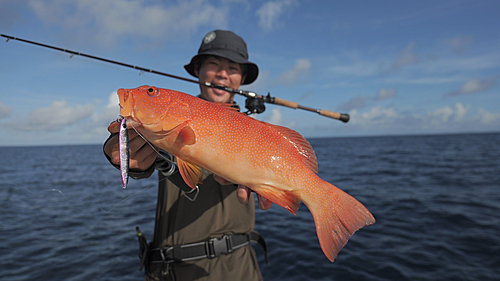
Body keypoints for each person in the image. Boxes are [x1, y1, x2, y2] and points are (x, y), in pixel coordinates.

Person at [103, 30, 271, 281]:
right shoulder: (170, 116)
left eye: (232, 67)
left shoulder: (257, 134)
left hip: (240, 268)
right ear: (198, 71)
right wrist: (127, 156)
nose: (222, 73)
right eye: (213, 64)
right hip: (175, 272)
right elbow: (151, 153)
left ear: (242, 78)